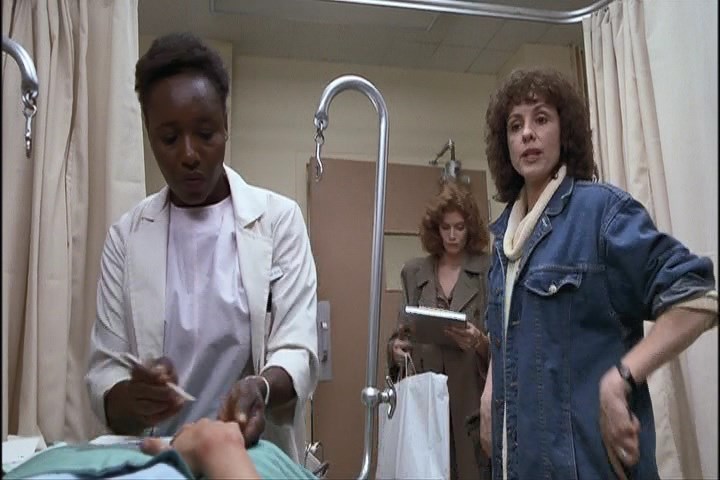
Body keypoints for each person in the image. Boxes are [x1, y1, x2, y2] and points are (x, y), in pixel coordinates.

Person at [84, 32, 319, 464]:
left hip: (251, 454)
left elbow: (298, 349)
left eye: (205, 133)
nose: (189, 154)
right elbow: (105, 374)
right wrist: (135, 397)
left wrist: (260, 387)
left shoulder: (278, 221)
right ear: (149, 135)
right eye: (169, 138)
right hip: (157, 457)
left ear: (225, 125)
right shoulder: (127, 237)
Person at [479, 67, 717, 480]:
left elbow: (696, 295)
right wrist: (489, 396)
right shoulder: (504, 239)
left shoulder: (601, 213)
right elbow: (505, 335)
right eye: (515, 126)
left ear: (565, 130)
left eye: (541, 119)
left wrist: (620, 379)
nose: (527, 134)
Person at [387, 180, 491, 480]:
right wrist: (395, 351)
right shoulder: (414, 272)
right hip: (426, 395)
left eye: (460, 227)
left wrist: (479, 341)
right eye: (446, 228)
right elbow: (401, 333)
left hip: (471, 396)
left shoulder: (487, 270)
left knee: (473, 470)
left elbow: (505, 344)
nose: (453, 235)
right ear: (436, 229)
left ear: (470, 228)